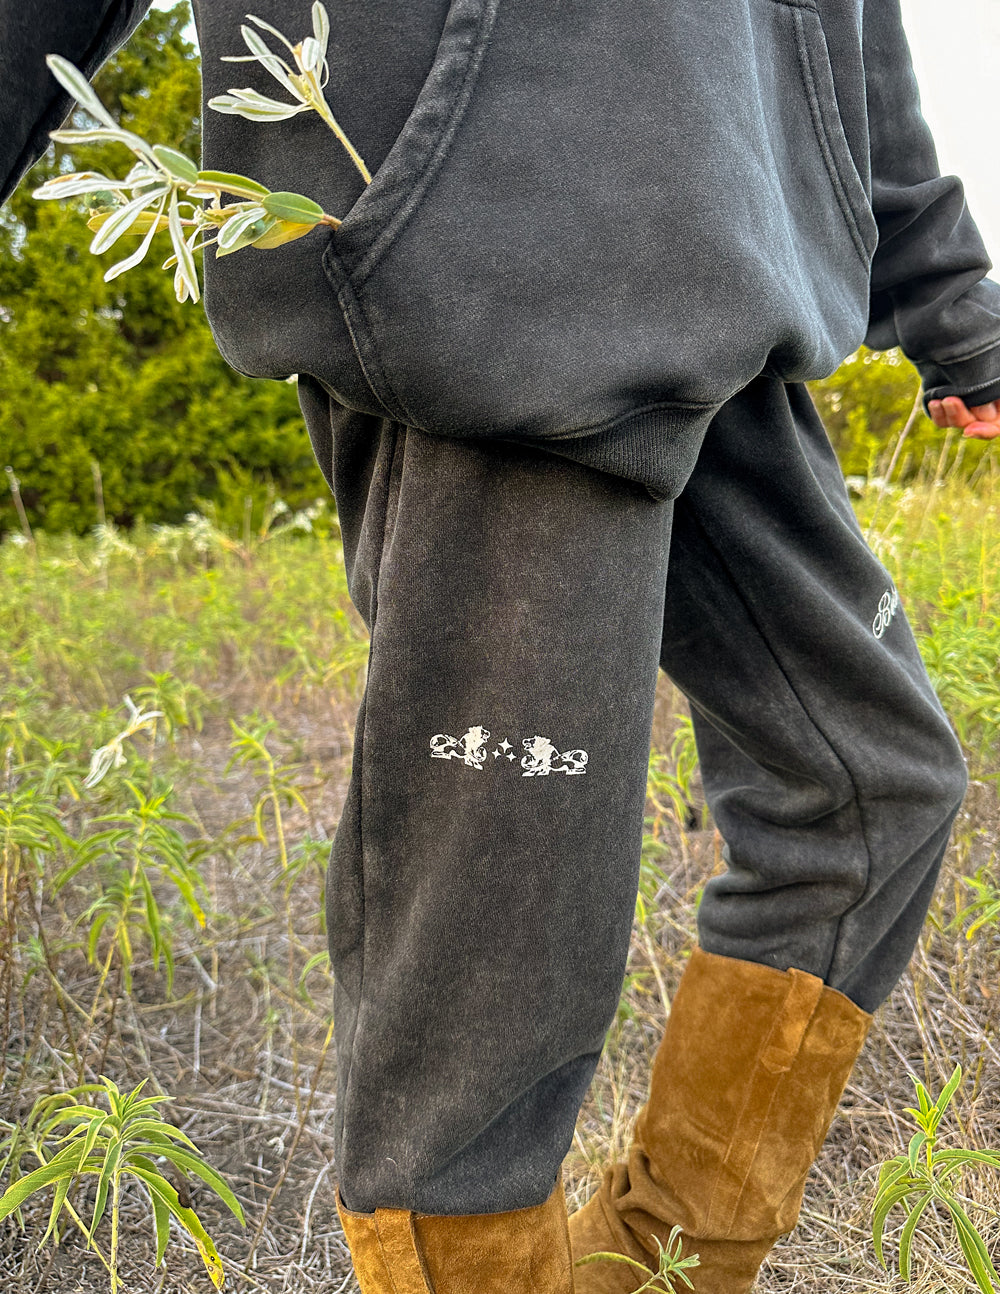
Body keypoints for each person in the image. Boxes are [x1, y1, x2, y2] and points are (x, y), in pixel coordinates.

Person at [3, 2, 1000, 1291]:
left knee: (871, 785)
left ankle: (656, 1275)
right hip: (494, 282)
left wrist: (943, 289)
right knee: (493, 976)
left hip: (739, 263)